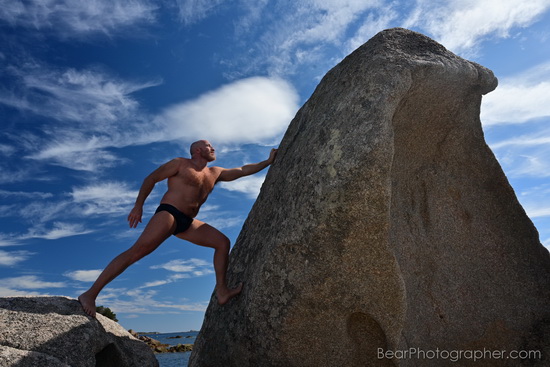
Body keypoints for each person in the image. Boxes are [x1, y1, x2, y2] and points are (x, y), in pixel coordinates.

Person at [78, 140, 277, 318]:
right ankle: (90, 294)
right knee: (136, 252)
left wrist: (267, 162)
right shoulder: (180, 163)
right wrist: (138, 206)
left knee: (222, 243)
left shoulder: (214, 173)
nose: (213, 148)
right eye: (209, 146)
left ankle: (222, 291)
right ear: (198, 150)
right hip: (169, 213)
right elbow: (151, 178)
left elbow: (242, 170)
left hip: (188, 222)